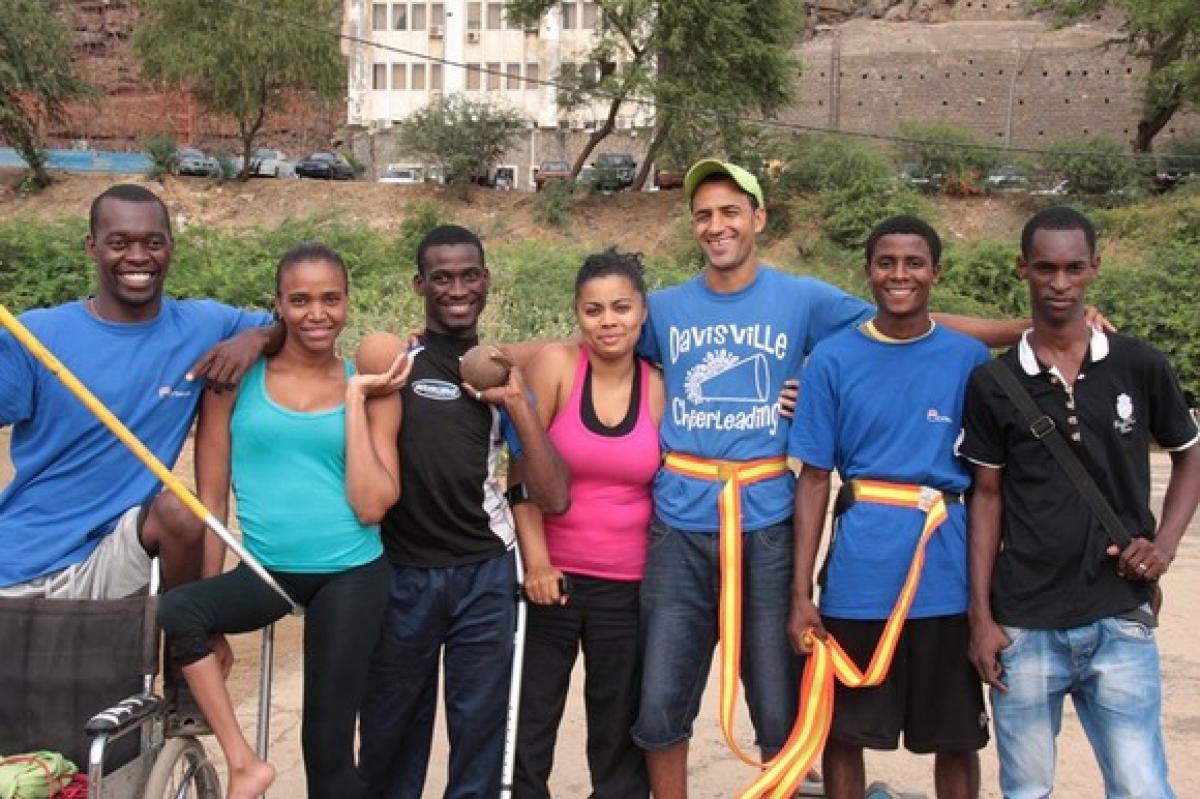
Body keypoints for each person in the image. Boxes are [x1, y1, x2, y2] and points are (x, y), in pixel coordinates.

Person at [630, 159, 1029, 798]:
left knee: (780, 697)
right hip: (680, 518)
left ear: (758, 219)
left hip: (765, 517)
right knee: (663, 694)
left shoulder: (804, 299)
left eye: (731, 211)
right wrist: (494, 356)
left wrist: (1031, 330)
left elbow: (909, 324)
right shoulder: (666, 308)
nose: (717, 225)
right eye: (703, 213)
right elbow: (598, 336)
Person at [960, 206, 1200, 799]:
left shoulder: (1138, 364)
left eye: (1073, 268)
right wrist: (982, 619)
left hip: (1119, 615)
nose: (1059, 284)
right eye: (1045, 268)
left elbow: (1190, 453)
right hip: (1024, 623)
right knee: (1026, 791)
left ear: (1095, 268)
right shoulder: (992, 384)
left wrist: (1164, 546)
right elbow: (985, 500)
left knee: (1142, 787)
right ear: (1023, 269)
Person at [157, 243, 407, 799]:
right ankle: (243, 763)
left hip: (353, 574)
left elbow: (370, 507)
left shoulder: (371, 386)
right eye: (300, 300)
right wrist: (215, 619)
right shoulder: (233, 382)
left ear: (347, 303)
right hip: (268, 571)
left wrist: (356, 397)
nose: (317, 314)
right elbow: (213, 504)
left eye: (330, 299)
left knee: (328, 751)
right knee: (180, 610)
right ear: (278, 304)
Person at [358, 224, 570, 799]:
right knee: (389, 731)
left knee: (480, 732)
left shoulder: (501, 376)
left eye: (469, 275)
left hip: (484, 573)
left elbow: (552, 497)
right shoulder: (399, 363)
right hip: (403, 571)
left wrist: (517, 403)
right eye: (442, 277)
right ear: (419, 284)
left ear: (486, 280)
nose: (457, 288)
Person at [787, 216, 990, 799]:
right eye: (886, 263)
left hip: (945, 575)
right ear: (868, 272)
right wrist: (801, 595)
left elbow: (987, 484)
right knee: (843, 731)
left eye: (914, 263)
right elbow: (814, 482)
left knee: (956, 738)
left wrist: (985, 598)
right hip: (859, 576)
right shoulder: (830, 359)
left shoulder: (968, 359)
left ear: (935, 272)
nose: (900, 275)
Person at [0, 183, 274, 600]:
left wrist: (255, 339)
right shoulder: (35, 333)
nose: (138, 256)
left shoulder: (203, 326)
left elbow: (293, 322)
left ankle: (187, 657)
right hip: (21, 559)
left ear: (171, 249)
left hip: (116, 554)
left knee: (181, 511)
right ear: (92, 247)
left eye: (153, 242)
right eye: (119, 243)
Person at [512, 249, 665, 798]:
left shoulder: (658, 385)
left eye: (621, 308)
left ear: (642, 312)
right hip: (552, 582)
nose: (608, 322)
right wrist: (537, 563)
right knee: (529, 723)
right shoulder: (556, 365)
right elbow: (521, 472)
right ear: (577, 314)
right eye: (594, 310)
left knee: (617, 732)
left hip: (628, 586)